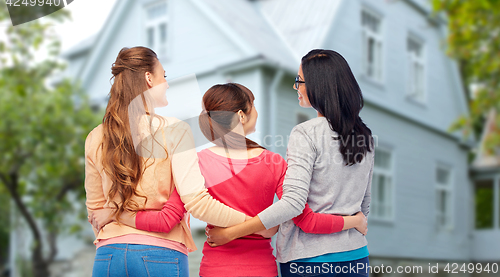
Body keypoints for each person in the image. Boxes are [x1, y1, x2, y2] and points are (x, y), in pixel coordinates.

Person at [91, 82, 368, 276]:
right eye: (254, 106)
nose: (256, 112)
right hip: (262, 268)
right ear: (240, 115)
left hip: (215, 268)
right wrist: (353, 220)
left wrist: (117, 215)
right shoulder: (274, 162)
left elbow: (165, 219)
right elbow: (295, 219)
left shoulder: (197, 163)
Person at [207, 49, 375, 277]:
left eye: (300, 81)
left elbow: (293, 204)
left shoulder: (305, 133)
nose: (296, 87)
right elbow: (364, 206)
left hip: (309, 260)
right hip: (356, 256)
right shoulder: (365, 136)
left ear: (318, 85)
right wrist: (353, 221)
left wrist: (232, 232)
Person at [84, 46, 250, 277]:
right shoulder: (175, 130)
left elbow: (95, 210)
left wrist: (118, 229)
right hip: (159, 253)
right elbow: (197, 202)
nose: (167, 84)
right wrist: (252, 222)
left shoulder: (96, 136)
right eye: (164, 76)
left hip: (108, 256)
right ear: (149, 78)